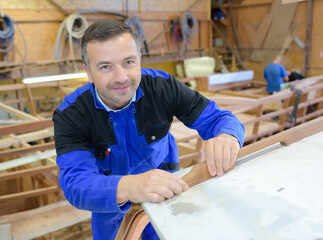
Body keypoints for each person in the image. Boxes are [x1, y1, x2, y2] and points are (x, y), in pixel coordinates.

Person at [53, 19, 245, 240]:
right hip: (111, 205)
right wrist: (128, 186)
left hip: (167, 193)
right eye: (106, 67)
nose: (121, 77)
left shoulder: (162, 87)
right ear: (88, 72)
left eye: (128, 62)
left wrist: (228, 136)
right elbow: (75, 183)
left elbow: (219, 119)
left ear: (139, 60)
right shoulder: (71, 114)